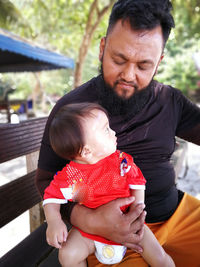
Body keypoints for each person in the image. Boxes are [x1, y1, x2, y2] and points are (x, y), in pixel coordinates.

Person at [36, 0, 200, 266]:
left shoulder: (170, 100)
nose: (128, 75)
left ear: (159, 61)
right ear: (102, 48)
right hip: (111, 239)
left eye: (143, 65)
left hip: (179, 213)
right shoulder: (73, 113)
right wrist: (88, 219)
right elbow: (46, 181)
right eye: (119, 59)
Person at [43, 102, 175, 267]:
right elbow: (51, 198)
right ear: (86, 151)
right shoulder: (71, 176)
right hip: (91, 232)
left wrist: (137, 211)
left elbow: (137, 182)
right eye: (106, 130)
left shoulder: (120, 161)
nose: (113, 132)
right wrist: (54, 221)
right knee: (67, 255)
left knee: (159, 257)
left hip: (129, 225)